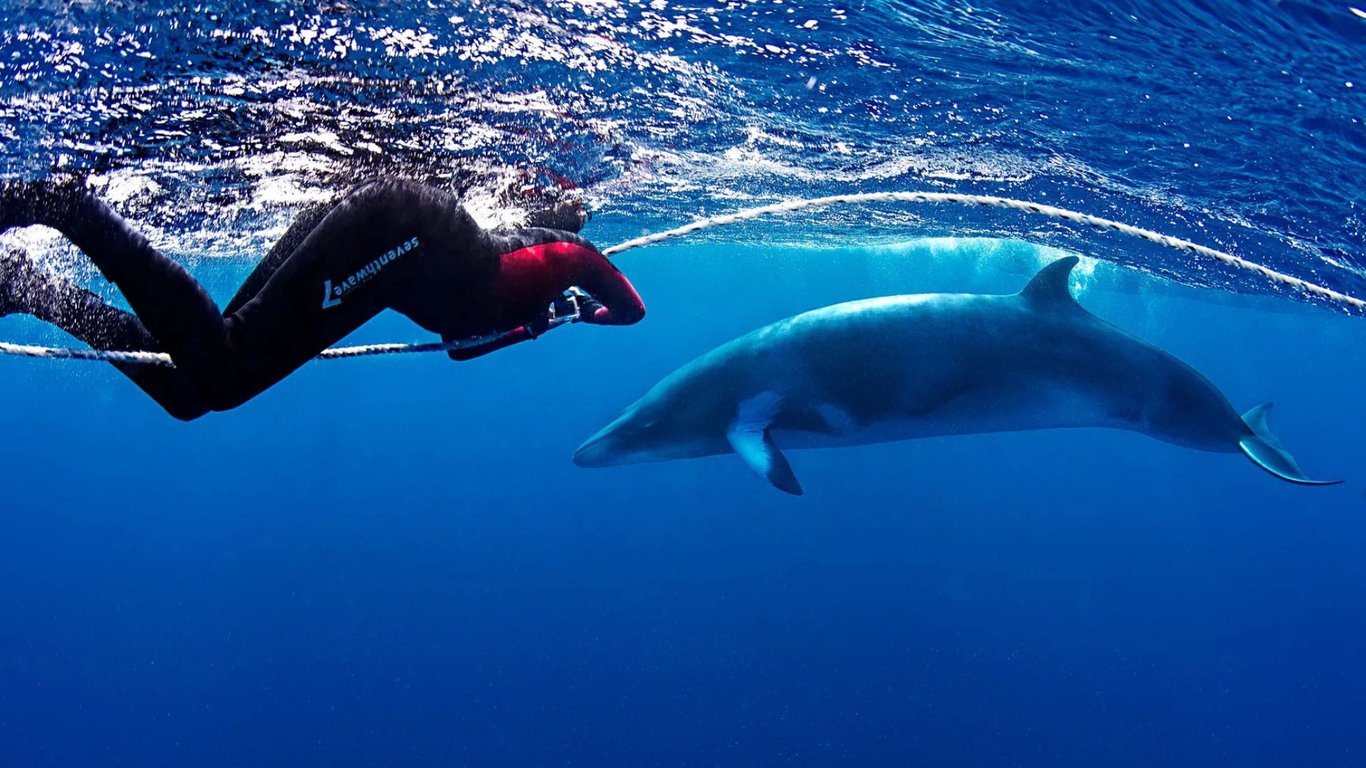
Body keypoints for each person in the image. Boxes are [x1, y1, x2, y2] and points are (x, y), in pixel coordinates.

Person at [0, 177, 645, 421]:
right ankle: (70, 209)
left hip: (386, 248)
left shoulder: (516, 299)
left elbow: (461, 347)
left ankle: (32, 288)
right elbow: (628, 305)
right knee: (224, 372)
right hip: (396, 228)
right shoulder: (553, 256)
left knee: (192, 392)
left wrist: (545, 322)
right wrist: (591, 312)